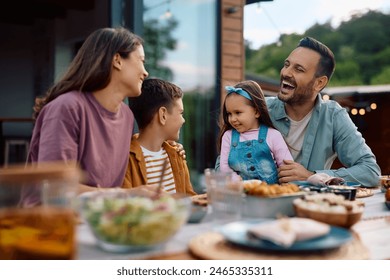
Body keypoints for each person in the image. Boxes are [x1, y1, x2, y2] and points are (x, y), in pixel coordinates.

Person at [24, 27, 149, 205]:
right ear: (117, 60)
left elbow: (109, 191)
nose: (145, 72)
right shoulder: (66, 108)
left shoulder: (127, 117)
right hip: (50, 224)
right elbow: (56, 189)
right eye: (141, 61)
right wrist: (127, 195)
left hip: (97, 221)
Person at [267, 36, 381, 187]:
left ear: (319, 83)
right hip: (261, 203)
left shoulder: (333, 116)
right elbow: (226, 163)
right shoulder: (260, 109)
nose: (286, 73)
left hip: (312, 207)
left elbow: (370, 171)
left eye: (298, 69)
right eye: (286, 65)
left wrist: (311, 176)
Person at [123, 78, 197, 195]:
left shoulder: (176, 154)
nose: (183, 120)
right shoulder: (126, 160)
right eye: (181, 113)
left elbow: (189, 198)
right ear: (163, 115)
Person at [218, 80, 293, 184]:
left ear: (256, 112)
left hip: (270, 194)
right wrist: (234, 179)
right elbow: (224, 166)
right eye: (229, 114)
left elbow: (286, 167)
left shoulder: (273, 135)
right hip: (241, 194)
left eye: (238, 113)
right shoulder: (228, 136)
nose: (232, 119)